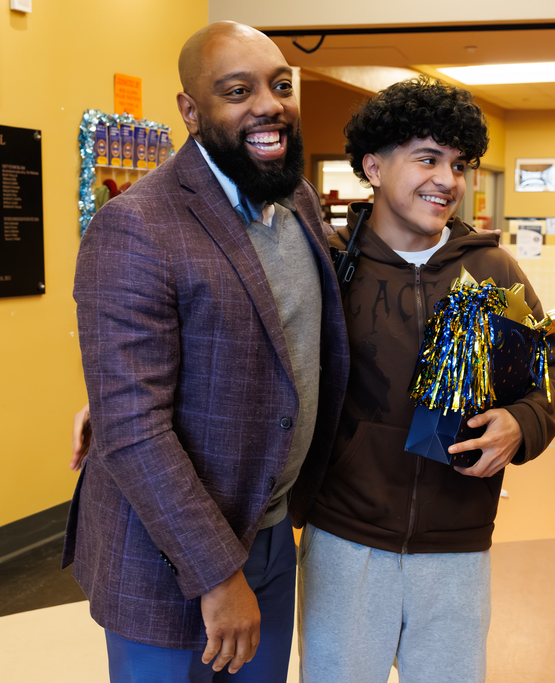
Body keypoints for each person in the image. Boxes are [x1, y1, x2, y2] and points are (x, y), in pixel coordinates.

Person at [65, 21, 348, 683]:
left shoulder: (297, 202)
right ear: (190, 111)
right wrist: (219, 576)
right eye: (237, 89)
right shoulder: (136, 224)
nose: (269, 103)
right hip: (165, 556)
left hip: (272, 531)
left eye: (280, 85)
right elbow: (134, 430)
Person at [296, 78, 555, 683]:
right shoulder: (330, 266)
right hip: (346, 538)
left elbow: (545, 368)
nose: (447, 179)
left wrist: (521, 424)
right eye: (427, 158)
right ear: (373, 165)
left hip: (457, 542)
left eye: (458, 163)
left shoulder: (493, 270)